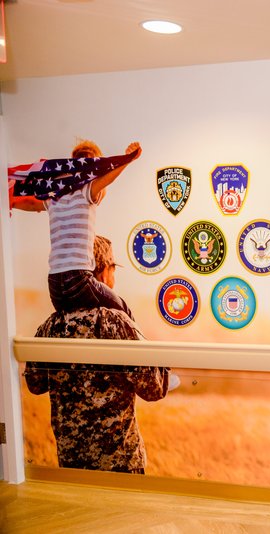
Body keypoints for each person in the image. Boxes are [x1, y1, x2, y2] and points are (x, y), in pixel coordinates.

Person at [23, 235, 169, 474]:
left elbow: (34, 384)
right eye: (113, 268)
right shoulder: (115, 322)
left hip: (70, 466)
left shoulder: (50, 327)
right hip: (121, 466)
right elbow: (155, 388)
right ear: (102, 272)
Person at [11, 140, 142, 315]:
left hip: (54, 286)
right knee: (124, 311)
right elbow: (108, 180)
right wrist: (128, 159)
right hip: (79, 279)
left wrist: (10, 200)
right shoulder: (86, 190)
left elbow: (30, 203)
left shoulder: (53, 195)